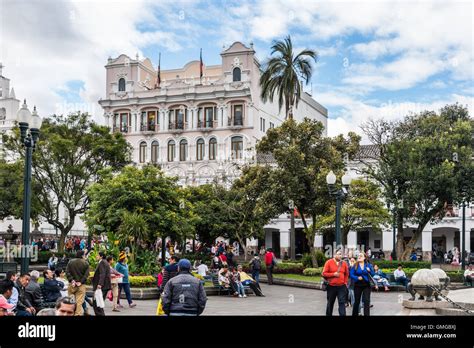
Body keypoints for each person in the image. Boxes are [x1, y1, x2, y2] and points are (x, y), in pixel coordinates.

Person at [322, 249, 349, 316]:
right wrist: (333, 274)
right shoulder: (328, 262)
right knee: (330, 303)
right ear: (334, 255)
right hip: (331, 286)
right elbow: (324, 273)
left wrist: (345, 282)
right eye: (339, 254)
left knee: (342, 303)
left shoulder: (344, 263)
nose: (340, 255)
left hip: (341, 287)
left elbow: (347, 274)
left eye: (341, 254)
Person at [350, 252, 375, 316]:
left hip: (366, 285)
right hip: (357, 285)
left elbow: (373, 274)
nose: (359, 257)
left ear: (364, 258)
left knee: (366, 301)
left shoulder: (368, 265)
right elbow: (351, 274)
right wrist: (357, 277)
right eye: (358, 256)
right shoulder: (355, 265)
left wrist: (369, 270)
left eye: (361, 256)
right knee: (357, 301)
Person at [66, 250, 90, 316]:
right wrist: (81, 282)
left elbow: (67, 272)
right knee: (79, 302)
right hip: (81, 285)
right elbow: (86, 275)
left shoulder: (70, 262)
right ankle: (77, 314)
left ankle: (70, 313)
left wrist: (72, 280)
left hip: (72, 285)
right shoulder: (86, 263)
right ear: (82, 255)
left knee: (71, 301)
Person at [91, 252, 111, 316]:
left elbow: (103, 274)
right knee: (98, 303)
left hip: (102, 286)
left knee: (97, 303)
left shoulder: (102, 262)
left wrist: (100, 284)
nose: (96, 256)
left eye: (97, 255)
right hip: (104, 286)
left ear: (101, 256)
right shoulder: (104, 262)